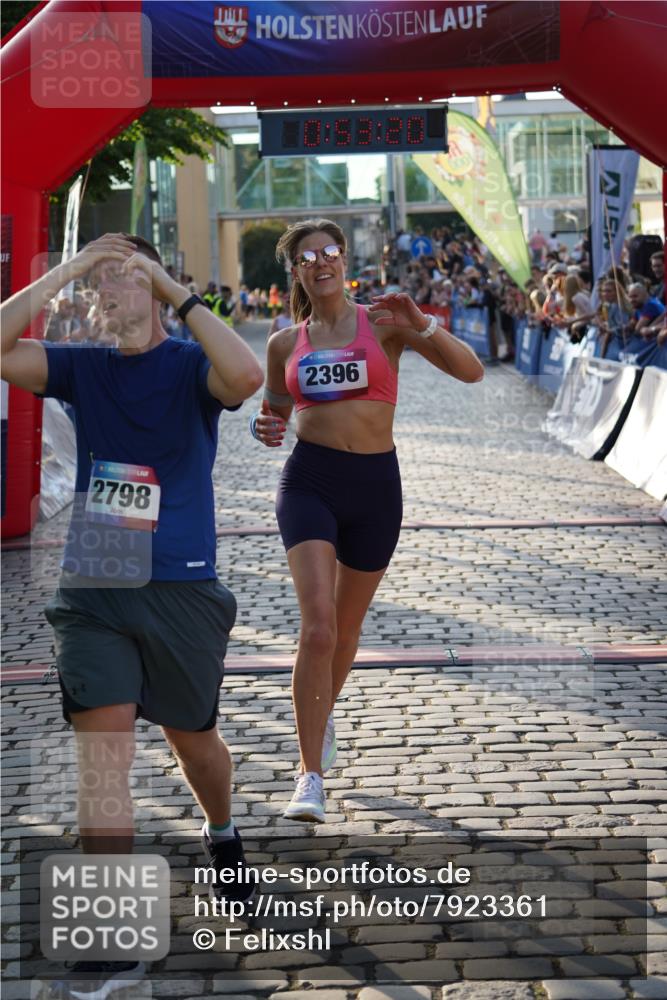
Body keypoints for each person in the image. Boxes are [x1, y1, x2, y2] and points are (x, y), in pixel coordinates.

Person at [0, 233, 264, 998]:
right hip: (96, 581)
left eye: (124, 280)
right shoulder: (80, 367)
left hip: (181, 581)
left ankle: (221, 832)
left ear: (154, 289)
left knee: (194, 741)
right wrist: (67, 271)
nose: (108, 294)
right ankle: (111, 937)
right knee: (104, 760)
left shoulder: (189, 366)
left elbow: (245, 375)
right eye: (101, 283)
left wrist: (176, 292)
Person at [249, 219, 484, 823]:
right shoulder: (283, 344)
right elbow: (274, 412)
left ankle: (321, 717)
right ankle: (309, 776)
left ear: (344, 260)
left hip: (376, 487)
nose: (321, 262)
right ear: (296, 270)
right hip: (309, 483)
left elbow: (470, 370)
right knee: (319, 628)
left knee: (347, 634)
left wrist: (421, 321)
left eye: (331, 252)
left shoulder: (384, 323)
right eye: (309, 257)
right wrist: (266, 425)